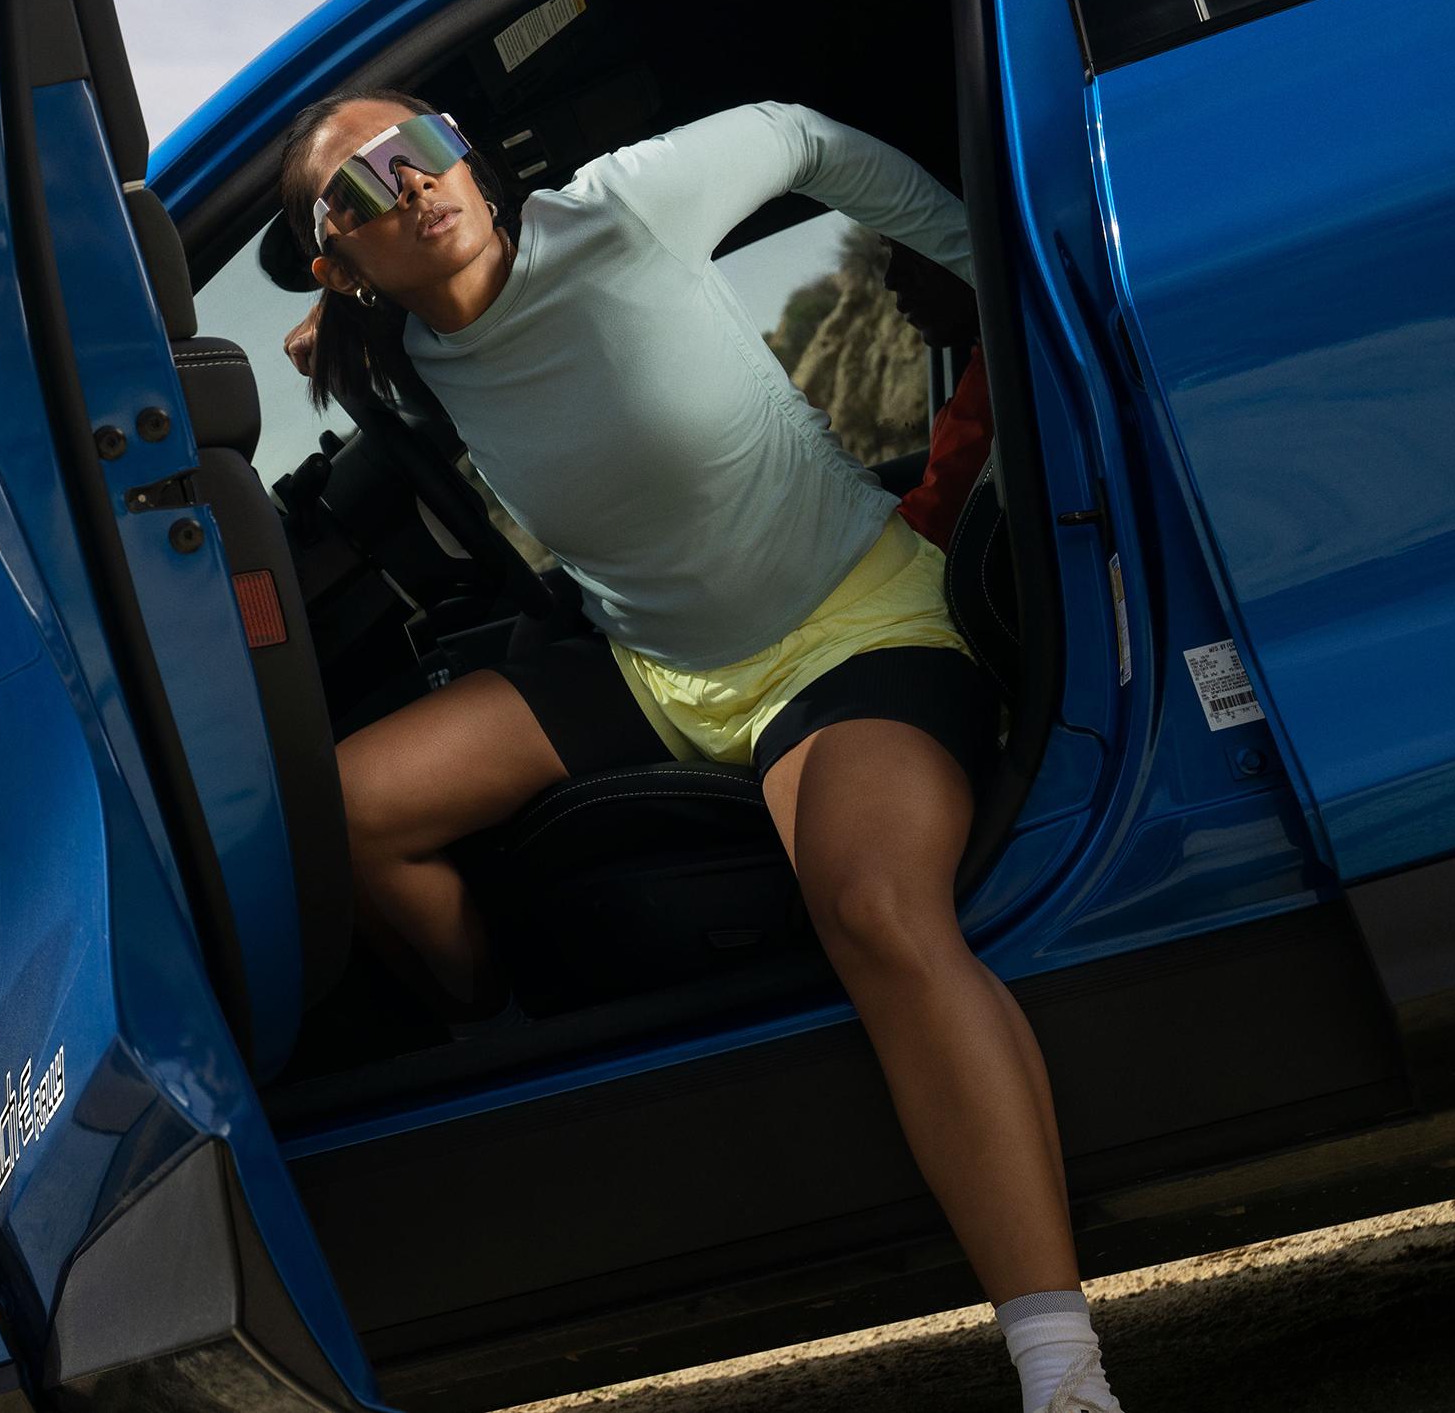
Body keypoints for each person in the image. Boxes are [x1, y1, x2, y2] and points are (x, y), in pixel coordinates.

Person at [283, 90, 1120, 1413]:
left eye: (419, 150)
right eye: (361, 190)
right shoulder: (399, 351)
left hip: (848, 626)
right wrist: (338, 322)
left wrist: (1003, 282)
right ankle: (509, 1036)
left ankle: (1059, 1368)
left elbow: (801, 133)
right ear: (335, 258)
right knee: (342, 810)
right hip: (651, 665)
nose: (411, 186)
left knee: (872, 906)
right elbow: (347, 329)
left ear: (467, 156)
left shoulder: (621, 208)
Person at [885, 238, 994, 548]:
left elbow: (926, 532)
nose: (890, 278)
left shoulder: (998, 380)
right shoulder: (988, 367)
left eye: (913, 250)